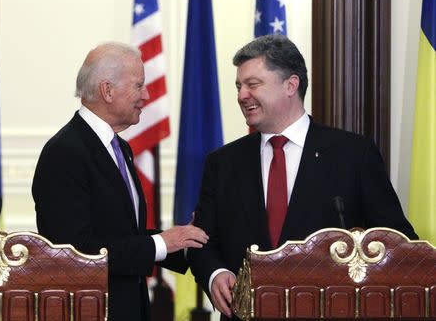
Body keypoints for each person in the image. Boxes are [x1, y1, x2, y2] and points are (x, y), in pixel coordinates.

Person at [188, 35, 418, 320]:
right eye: (239, 86)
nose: (241, 95)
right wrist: (215, 274)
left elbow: (396, 240)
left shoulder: (353, 154)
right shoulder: (222, 163)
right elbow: (201, 241)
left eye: (252, 84)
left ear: (291, 85)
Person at [32, 42, 209, 321]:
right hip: (93, 311)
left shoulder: (120, 148)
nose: (147, 95)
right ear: (107, 90)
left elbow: (123, 235)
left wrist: (181, 242)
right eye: (139, 85)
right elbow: (74, 251)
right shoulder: (64, 153)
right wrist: (161, 244)